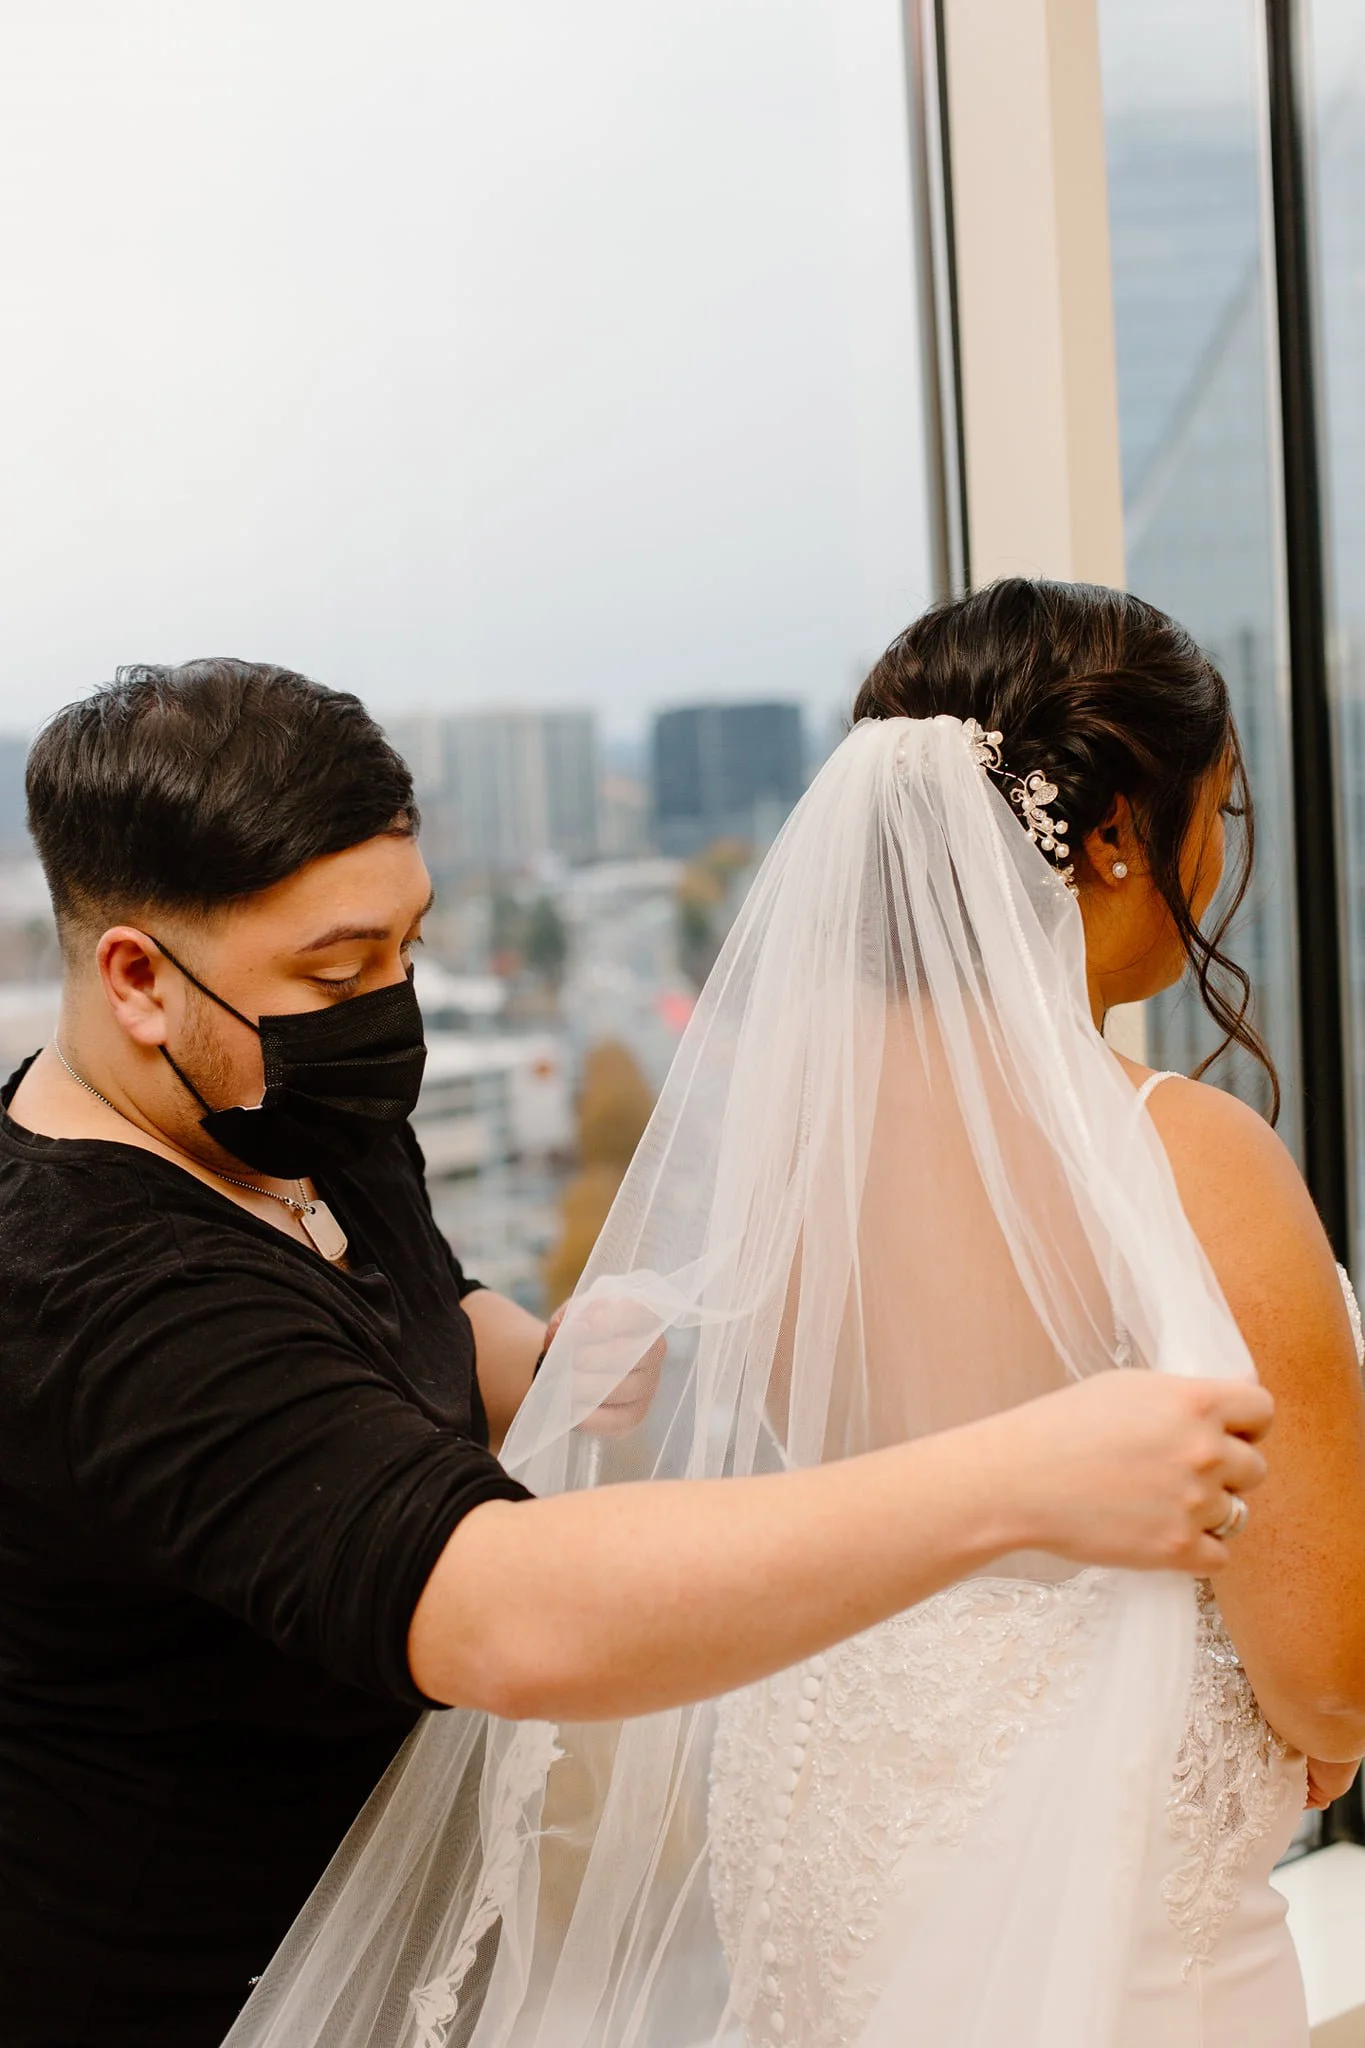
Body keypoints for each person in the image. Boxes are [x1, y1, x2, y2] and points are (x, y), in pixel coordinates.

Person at [0, 656, 1268, 2048]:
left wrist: (524, 1358)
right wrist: (1019, 1480)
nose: (391, 1001)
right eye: (340, 967)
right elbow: (503, 1612)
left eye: (407, 944)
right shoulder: (106, 1300)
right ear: (135, 978)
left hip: (402, 1941)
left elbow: (390, 1286)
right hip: (202, 1996)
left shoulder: (272, 1108)